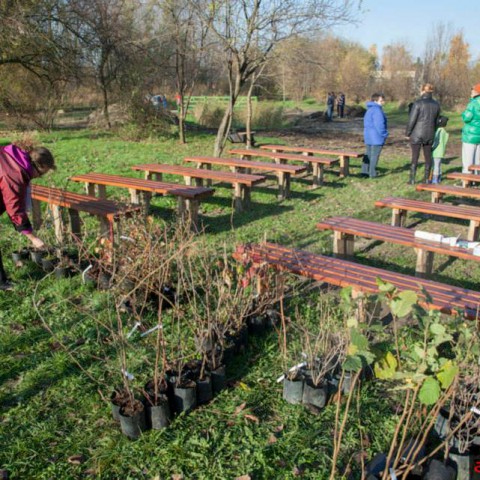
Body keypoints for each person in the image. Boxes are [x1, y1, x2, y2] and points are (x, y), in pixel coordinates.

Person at [0, 144, 56, 290]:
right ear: (38, 165)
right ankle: (2, 284)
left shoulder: (13, 157)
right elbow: (15, 210)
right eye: (42, 173)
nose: (39, 177)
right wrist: (34, 238)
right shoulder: (14, 174)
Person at [405, 83, 440, 184]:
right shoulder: (436, 104)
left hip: (417, 133)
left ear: (423, 91)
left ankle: (412, 179)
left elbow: (412, 120)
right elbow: (437, 121)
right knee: (428, 157)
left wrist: (408, 133)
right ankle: (426, 179)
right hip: (429, 133)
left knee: (415, 156)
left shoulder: (417, 103)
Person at [361, 93, 388, 179]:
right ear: (375, 101)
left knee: (368, 154)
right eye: (381, 100)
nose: (383, 102)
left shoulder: (369, 109)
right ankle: (372, 173)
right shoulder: (377, 110)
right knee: (374, 155)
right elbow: (380, 125)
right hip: (376, 136)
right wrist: (385, 134)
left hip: (368, 135)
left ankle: (364, 172)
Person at [461, 83, 480, 173]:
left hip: (470, 136)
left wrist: (463, 113)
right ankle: (475, 181)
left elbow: (466, 118)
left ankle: (466, 183)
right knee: (477, 161)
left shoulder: (473, 104)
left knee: (468, 161)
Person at [431, 116, 449, 184]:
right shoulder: (444, 132)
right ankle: (439, 177)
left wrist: (432, 148)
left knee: (435, 165)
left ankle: (435, 179)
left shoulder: (438, 131)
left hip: (436, 152)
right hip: (441, 151)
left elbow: (436, 141)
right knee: (439, 165)